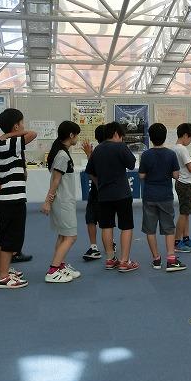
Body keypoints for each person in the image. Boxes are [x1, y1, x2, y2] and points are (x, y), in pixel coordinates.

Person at [84, 121, 139, 272]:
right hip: (122, 194)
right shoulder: (120, 147)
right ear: (116, 134)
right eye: (121, 136)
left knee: (106, 226)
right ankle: (124, 261)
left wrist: (99, 184)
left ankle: (110, 259)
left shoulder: (97, 150)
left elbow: (90, 172)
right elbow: (132, 164)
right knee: (126, 226)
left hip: (104, 195)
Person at [0, 108, 37, 289]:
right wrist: (11, 134)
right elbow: (33, 134)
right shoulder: (12, 141)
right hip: (13, 198)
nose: (24, 126)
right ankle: (3, 277)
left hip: (3, 199)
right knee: (11, 238)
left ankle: (1, 270)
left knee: (3, 237)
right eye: (22, 123)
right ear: (16, 126)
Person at [139, 123, 186, 272]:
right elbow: (176, 175)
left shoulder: (145, 155)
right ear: (165, 137)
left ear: (150, 137)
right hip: (165, 195)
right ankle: (171, 259)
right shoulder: (171, 154)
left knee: (150, 229)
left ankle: (156, 259)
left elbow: (141, 175)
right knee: (169, 228)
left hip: (149, 196)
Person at [41, 121, 83, 283]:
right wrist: (47, 201)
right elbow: (55, 181)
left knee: (64, 235)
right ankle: (53, 270)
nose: (77, 138)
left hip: (65, 200)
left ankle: (60, 266)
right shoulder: (62, 155)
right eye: (76, 135)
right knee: (71, 237)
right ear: (71, 135)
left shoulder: (62, 152)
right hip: (63, 202)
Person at [82, 124, 108, 262]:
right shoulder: (112, 149)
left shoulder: (98, 151)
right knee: (106, 218)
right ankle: (110, 244)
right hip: (109, 189)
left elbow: (92, 171)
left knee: (92, 217)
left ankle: (94, 247)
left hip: (99, 189)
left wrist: (89, 155)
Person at [173, 123, 191, 253]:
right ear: (185, 135)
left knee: (186, 213)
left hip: (182, 182)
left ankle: (186, 238)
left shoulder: (174, 148)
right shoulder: (182, 149)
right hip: (186, 183)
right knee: (184, 214)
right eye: (190, 138)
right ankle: (177, 241)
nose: (190, 141)